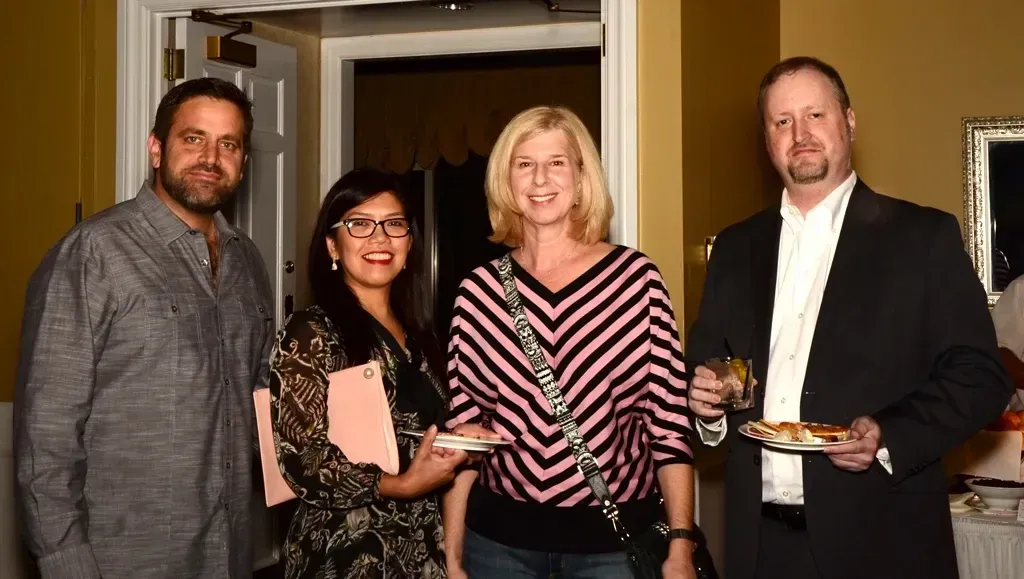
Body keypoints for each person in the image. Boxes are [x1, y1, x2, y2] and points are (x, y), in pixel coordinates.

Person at [685, 56, 1013, 579]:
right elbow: (709, 370)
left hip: (882, 543)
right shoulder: (733, 247)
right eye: (782, 121)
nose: (800, 134)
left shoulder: (921, 238)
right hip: (759, 548)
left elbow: (981, 376)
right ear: (766, 139)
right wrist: (706, 407)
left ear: (850, 122)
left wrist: (888, 435)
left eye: (815, 115)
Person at [14, 78, 275, 579]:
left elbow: (262, 399)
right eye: (193, 138)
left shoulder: (248, 263)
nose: (210, 157)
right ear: (157, 148)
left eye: (228, 144)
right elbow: (46, 434)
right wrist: (64, 562)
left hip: (229, 552)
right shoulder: (93, 255)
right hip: (121, 559)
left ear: (242, 162)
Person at [443, 106, 698, 579]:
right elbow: (464, 432)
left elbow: (668, 425)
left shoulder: (636, 281)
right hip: (498, 546)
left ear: (582, 179)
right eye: (524, 164)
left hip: (611, 548)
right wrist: (452, 556)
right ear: (506, 179)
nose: (540, 178)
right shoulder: (477, 292)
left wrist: (681, 543)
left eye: (557, 162)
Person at [268, 168, 466, 578]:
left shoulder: (422, 339)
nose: (380, 238)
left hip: (421, 550)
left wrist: (465, 438)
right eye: (359, 224)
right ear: (332, 245)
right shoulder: (311, 332)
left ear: (410, 244)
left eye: (394, 224)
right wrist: (398, 485)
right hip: (345, 553)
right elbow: (302, 460)